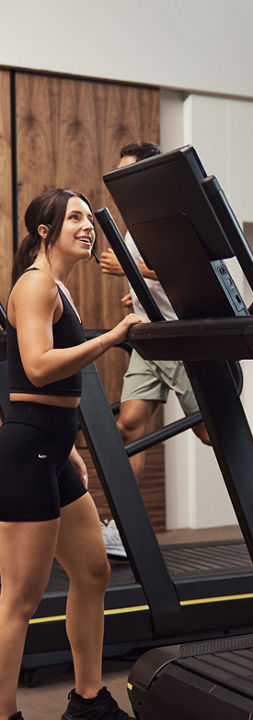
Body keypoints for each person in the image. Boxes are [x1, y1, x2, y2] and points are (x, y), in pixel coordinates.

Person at [98, 141, 253, 558]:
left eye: (127, 174)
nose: (120, 184)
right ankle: (124, 527)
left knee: (210, 430)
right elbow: (157, 283)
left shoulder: (167, 220)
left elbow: (185, 272)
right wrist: (137, 297)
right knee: (128, 425)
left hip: (179, 337)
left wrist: (130, 269)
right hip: (147, 336)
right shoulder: (130, 225)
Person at [0, 188, 143, 720]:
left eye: (89, 218)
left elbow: (52, 386)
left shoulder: (56, 285)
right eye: (76, 218)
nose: (89, 226)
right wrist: (112, 337)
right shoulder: (36, 285)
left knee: (92, 571)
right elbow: (37, 367)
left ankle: (87, 701)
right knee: (20, 600)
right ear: (45, 230)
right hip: (29, 449)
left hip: (52, 450)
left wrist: (71, 448)